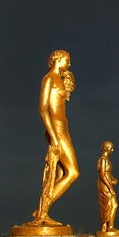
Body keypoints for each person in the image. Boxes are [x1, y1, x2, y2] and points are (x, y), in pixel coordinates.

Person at [29, 49, 80, 226]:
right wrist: (53, 136)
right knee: (73, 172)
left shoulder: (59, 80)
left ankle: (42, 210)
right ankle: (42, 210)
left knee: (58, 174)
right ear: (58, 59)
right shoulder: (49, 79)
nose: (69, 63)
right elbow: (43, 110)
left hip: (63, 130)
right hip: (57, 131)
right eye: (67, 59)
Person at [96, 140, 119, 234]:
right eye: (111, 148)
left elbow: (107, 174)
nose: (112, 150)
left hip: (106, 184)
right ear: (106, 148)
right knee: (112, 205)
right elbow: (102, 175)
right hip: (105, 186)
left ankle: (105, 226)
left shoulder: (105, 159)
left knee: (108, 205)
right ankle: (109, 226)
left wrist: (113, 179)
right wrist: (111, 188)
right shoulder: (103, 159)